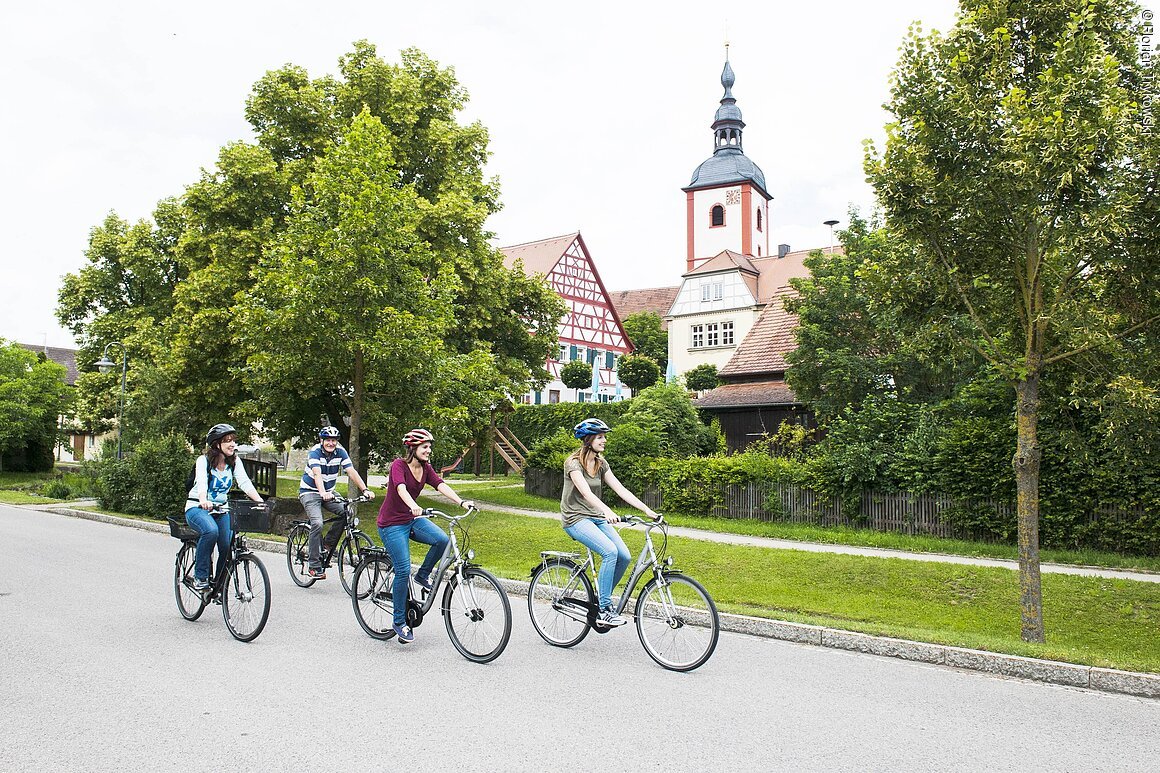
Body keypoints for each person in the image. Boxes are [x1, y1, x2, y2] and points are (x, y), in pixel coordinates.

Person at [376, 428, 475, 643]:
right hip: (391, 524)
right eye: (425, 446)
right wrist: (414, 506)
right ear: (413, 448)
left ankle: (422, 575)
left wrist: (461, 501)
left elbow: (440, 484)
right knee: (402, 570)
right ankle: (399, 621)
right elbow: (401, 489)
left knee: (442, 540)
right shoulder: (398, 466)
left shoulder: (426, 468)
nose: (429, 450)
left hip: (411, 520)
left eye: (429, 446)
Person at [561, 417, 660, 627]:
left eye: (604, 436)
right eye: (600, 437)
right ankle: (605, 609)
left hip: (595, 518)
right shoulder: (573, 463)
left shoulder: (601, 463)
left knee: (624, 556)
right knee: (610, 552)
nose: (604, 440)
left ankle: (600, 599)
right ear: (588, 440)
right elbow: (586, 493)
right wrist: (607, 510)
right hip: (575, 519)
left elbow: (621, 489)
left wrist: (647, 510)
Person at [184, 423, 267, 591]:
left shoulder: (234, 462)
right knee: (211, 531)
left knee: (227, 544)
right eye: (227, 441)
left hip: (221, 509)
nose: (232, 444)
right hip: (197, 508)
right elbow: (201, 483)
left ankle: (219, 583)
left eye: (233, 440)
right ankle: (201, 576)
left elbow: (245, 482)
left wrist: (260, 501)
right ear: (216, 444)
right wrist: (203, 500)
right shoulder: (203, 461)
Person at [298, 425, 375, 579]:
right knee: (318, 523)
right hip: (310, 492)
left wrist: (365, 490)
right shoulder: (315, 452)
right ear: (322, 440)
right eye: (327, 440)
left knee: (347, 512)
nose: (331, 443)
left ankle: (326, 544)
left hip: (329, 493)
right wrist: (322, 493)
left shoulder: (340, 452)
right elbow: (316, 473)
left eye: (333, 440)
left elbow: (351, 471)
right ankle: (313, 566)